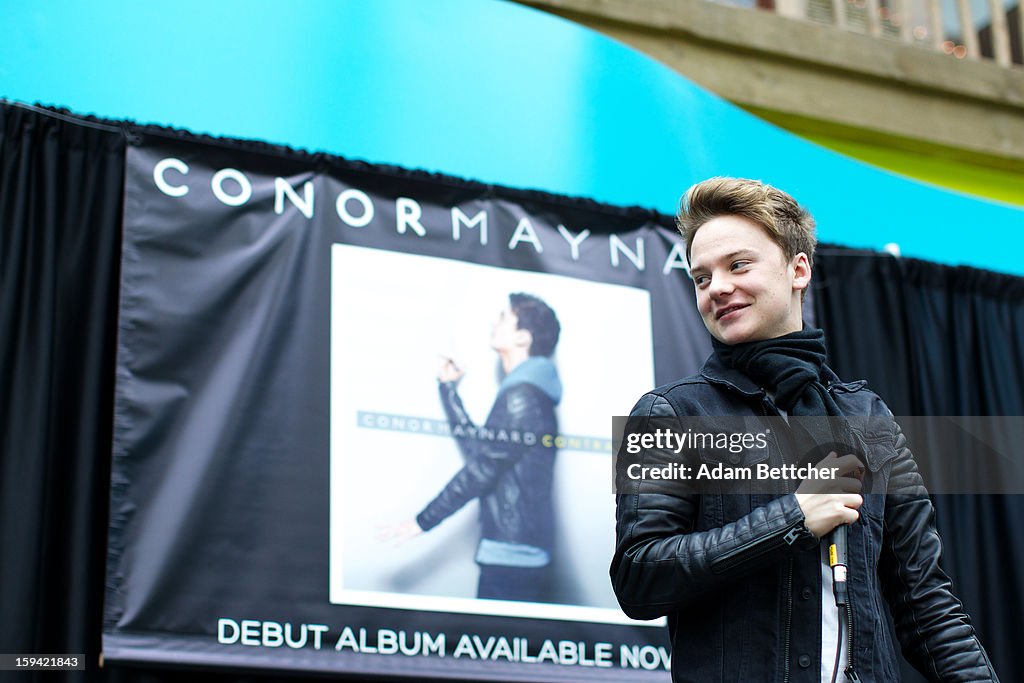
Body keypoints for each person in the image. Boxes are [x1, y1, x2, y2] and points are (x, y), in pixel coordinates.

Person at [610, 178, 999, 682]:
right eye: (701, 278)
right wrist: (792, 518)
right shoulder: (668, 413)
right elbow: (640, 577)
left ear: (798, 269)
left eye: (738, 265)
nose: (718, 287)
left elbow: (925, 601)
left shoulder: (868, 417)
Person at [388, 292, 562, 602]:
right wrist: (449, 390)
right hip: (514, 552)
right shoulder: (527, 393)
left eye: (503, 318)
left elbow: (481, 470)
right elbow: (484, 454)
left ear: (522, 337)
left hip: (512, 558)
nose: (493, 323)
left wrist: (422, 521)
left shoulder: (522, 396)